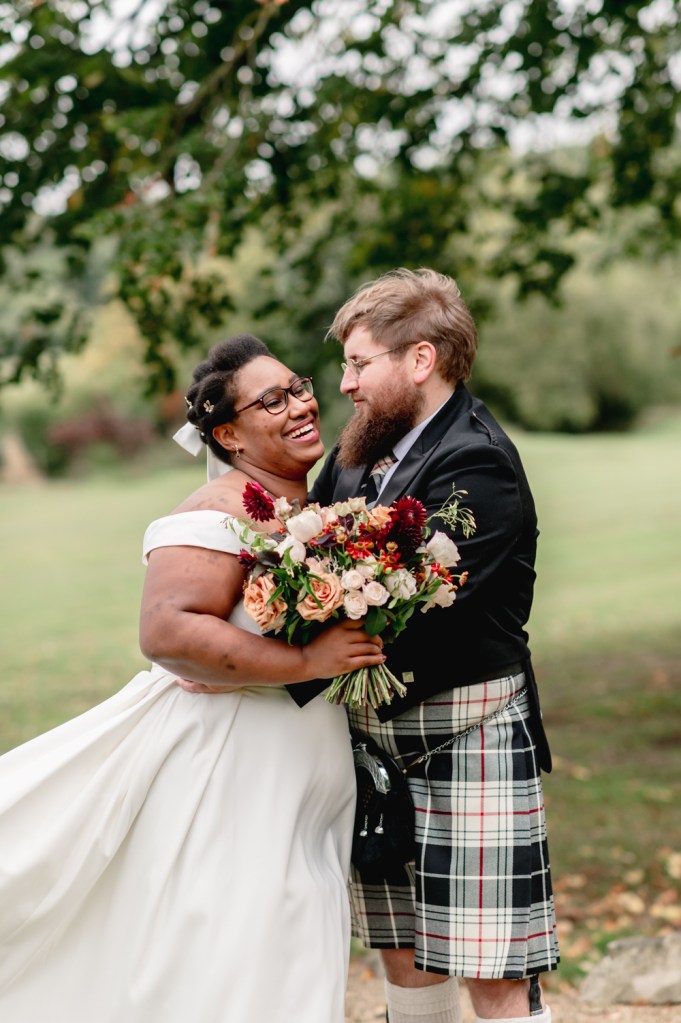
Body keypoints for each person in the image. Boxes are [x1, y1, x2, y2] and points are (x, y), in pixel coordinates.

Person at [0, 333, 386, 1023]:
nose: (300, 405)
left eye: (298, 387)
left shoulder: (307, 507)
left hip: (301, 767)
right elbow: (168, 631)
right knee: (238, 944)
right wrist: (304, 663)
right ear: (229, 433)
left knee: (288, 943)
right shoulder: (217, 510)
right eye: (272, 400)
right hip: (229, 767)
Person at [298, 269, 560, 1023]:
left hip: (467, 734)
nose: (343, 384)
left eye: (358, 362)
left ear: (419, 360)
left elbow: (408, 611)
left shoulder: (476, 462)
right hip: (376, 746)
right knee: (402, 951)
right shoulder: (354, 452)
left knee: (492, 968)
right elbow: (306, 558)